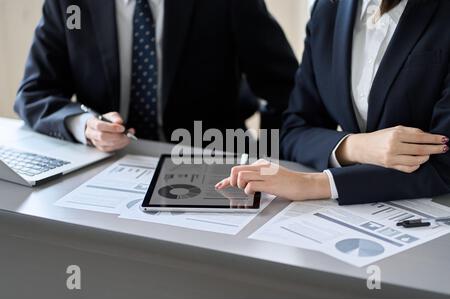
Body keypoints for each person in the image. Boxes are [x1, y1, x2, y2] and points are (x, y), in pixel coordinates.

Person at [217, 0, 450, 205]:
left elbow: (445, 165)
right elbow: (294, 129)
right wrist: (356, 147)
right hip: (356, 215)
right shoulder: (328, 9)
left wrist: (315, 184)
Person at [14, 0, 298, 152]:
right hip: (107, 162)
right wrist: (85, 126)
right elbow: (35, 93)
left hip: (212, 160)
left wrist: (270, 156)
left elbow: (286, 90)